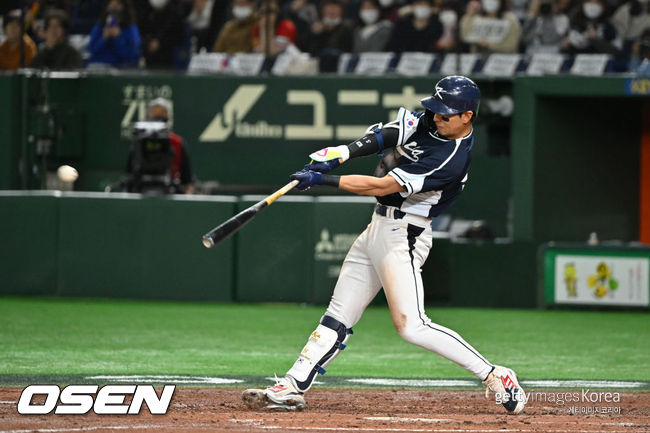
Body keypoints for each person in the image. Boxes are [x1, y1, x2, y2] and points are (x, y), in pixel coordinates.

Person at [241, 76, 526, 415]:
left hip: (405, 235)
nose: (436, 117)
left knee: (412, 326)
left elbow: (379, 185)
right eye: (435, 110)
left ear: (467, 116)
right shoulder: (432, 122)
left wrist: (323, 179)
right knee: (337, 315)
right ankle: (292, 385)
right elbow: (387, 135)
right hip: (377, 228)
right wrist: (342, 153)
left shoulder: (450, 158)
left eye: (445, 114)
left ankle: (496, 376)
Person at [126, 97, 195, 194]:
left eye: (162, 112)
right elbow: (129, 175)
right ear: (148, 115)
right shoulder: (139, 143)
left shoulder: (177, 143)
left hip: (171, 195)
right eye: (154, 112)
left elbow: (188, 182)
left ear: (167, 115)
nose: (158, 115)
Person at [86, 0, 141, 68]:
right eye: (111, 3)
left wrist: (118, 37)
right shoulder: (99, 27)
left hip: (121, 67)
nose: (114, 7)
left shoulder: (130, 28)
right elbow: (91, 51)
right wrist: (103, 38)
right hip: (98, 65)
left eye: (118, 4)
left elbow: (132, 55)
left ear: (124, 7)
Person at [138, 0, 186, 69]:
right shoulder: (146, 11)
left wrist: (161, 43)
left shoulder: (174, 13)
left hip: (169, 59)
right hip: (148, 58)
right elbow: (141, 32)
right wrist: (148, 42)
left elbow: (179, 37)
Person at [309, 0, 353, 70]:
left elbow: (348, 50)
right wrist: (316, 35)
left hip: (340, 67)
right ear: (322, 10)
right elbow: (311, 53)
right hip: (317, 68)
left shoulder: (348, 28)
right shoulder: (315, 28)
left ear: (342, 10)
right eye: (329, 6)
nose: (332, 10)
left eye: (335, 7)